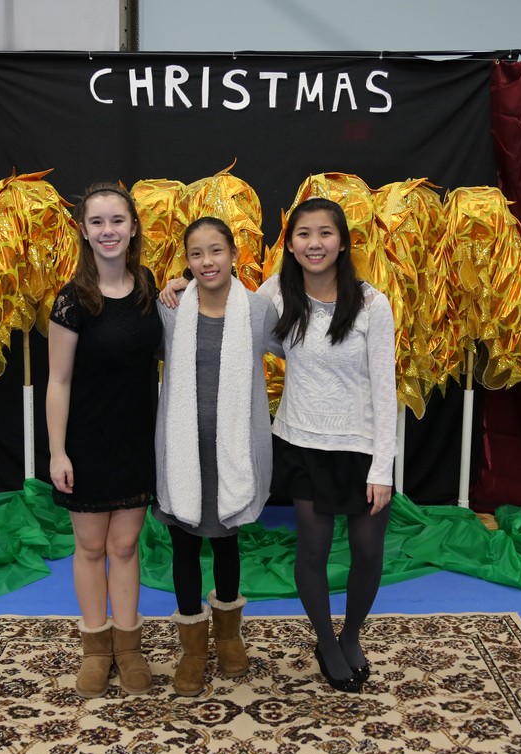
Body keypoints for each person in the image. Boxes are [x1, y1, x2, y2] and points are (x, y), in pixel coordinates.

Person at [258, 196, 397, 693]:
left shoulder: (372, 304)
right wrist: (178, 286)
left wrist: (383, 467)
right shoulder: (276, 294)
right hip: (300, 442)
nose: (314, 243)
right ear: (290, 245)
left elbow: (386, 390)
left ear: (342, 243)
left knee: (367, 551)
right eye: (303, 234)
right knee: (312, 550)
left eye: (325, 233)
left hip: (360, 446)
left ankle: (351, 634)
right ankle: (325, 641)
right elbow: (234, 314)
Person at [154, 216, 281, 696]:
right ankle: (192, 648)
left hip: (234, 449)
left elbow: (298, 343)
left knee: (227, 543)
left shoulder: (257, 310)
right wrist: (169, 288)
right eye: (196, 253)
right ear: (186, 262)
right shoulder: (171, 309)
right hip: (181, 449)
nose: (207, 261)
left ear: (234, 254)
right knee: (184, 546)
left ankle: (228, 637)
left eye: (216, 251)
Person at [46, 182, 161, 699]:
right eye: (97, 222)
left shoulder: (149, 288)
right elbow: (58, 381)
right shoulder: (72, 301)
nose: (108, 230)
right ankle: (96, 648)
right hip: (87, 441)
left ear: (133, 227)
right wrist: (57, 451)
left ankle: (129, 647)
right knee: (91, 547)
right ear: (84, 231)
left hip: (136, 438)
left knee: (125, 545)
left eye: (117, 220)